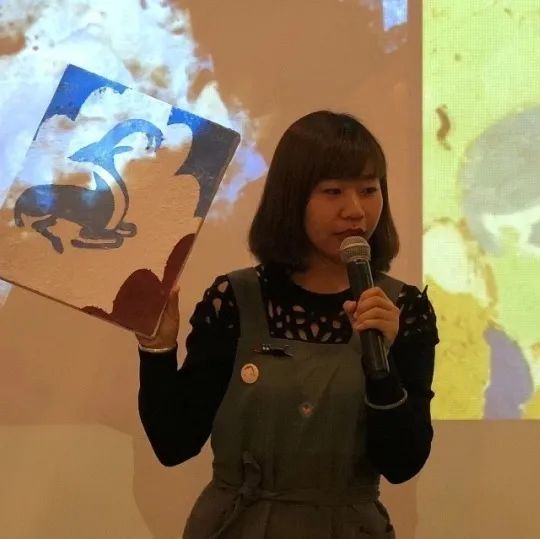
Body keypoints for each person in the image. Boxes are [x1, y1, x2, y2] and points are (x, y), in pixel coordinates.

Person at [136, 110, 439, 539]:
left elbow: (403, 464)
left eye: (369, 190)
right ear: (292, 198)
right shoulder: (236, 299)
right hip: (238, 525)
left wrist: (383, 367)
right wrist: (157, 350)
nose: (355, 210)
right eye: (333, 191)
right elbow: (174, 444)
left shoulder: (401, 308)